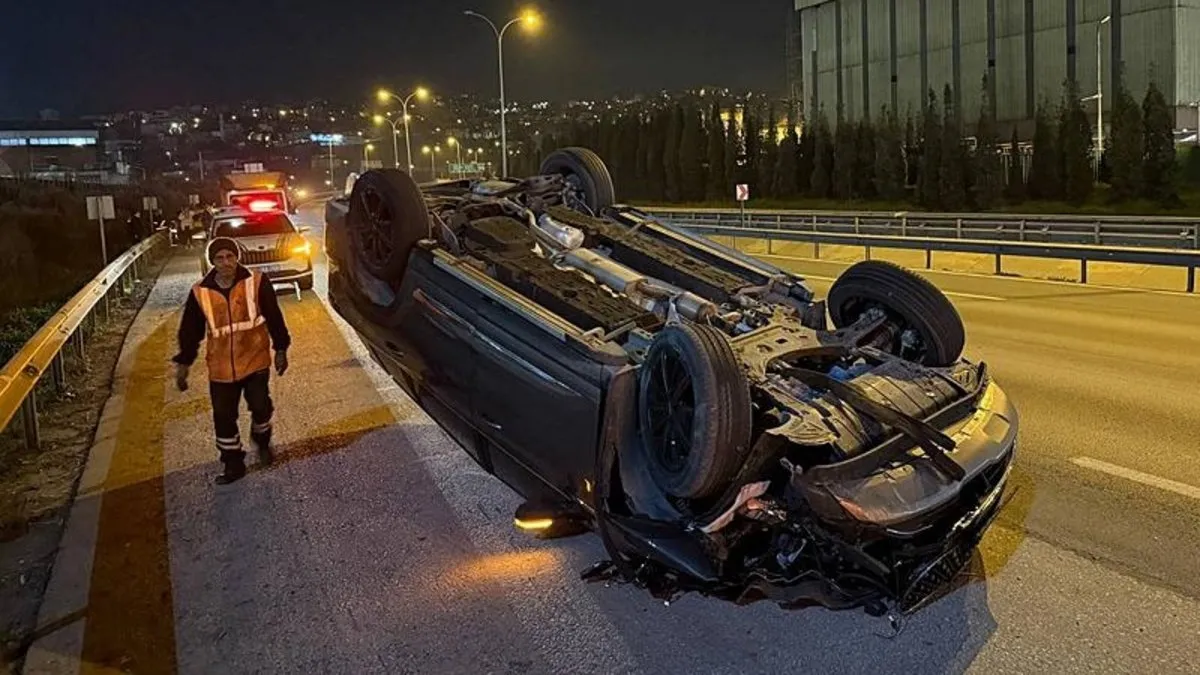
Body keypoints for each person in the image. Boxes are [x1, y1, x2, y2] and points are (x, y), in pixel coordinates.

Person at [172, 237, 291, 484]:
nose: (226, 262)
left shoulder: (256, 282)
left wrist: (281, 348)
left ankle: (262, 440)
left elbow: (273, 316)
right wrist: (184, 363)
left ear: (237, 257)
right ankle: (233, 464)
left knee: (261, 407)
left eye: (230, 256)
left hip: (255, 359)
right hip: (221, 368)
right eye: (219, 258)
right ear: (212, 262)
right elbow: (190, 330)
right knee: (224, 417)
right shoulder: (200, 292)